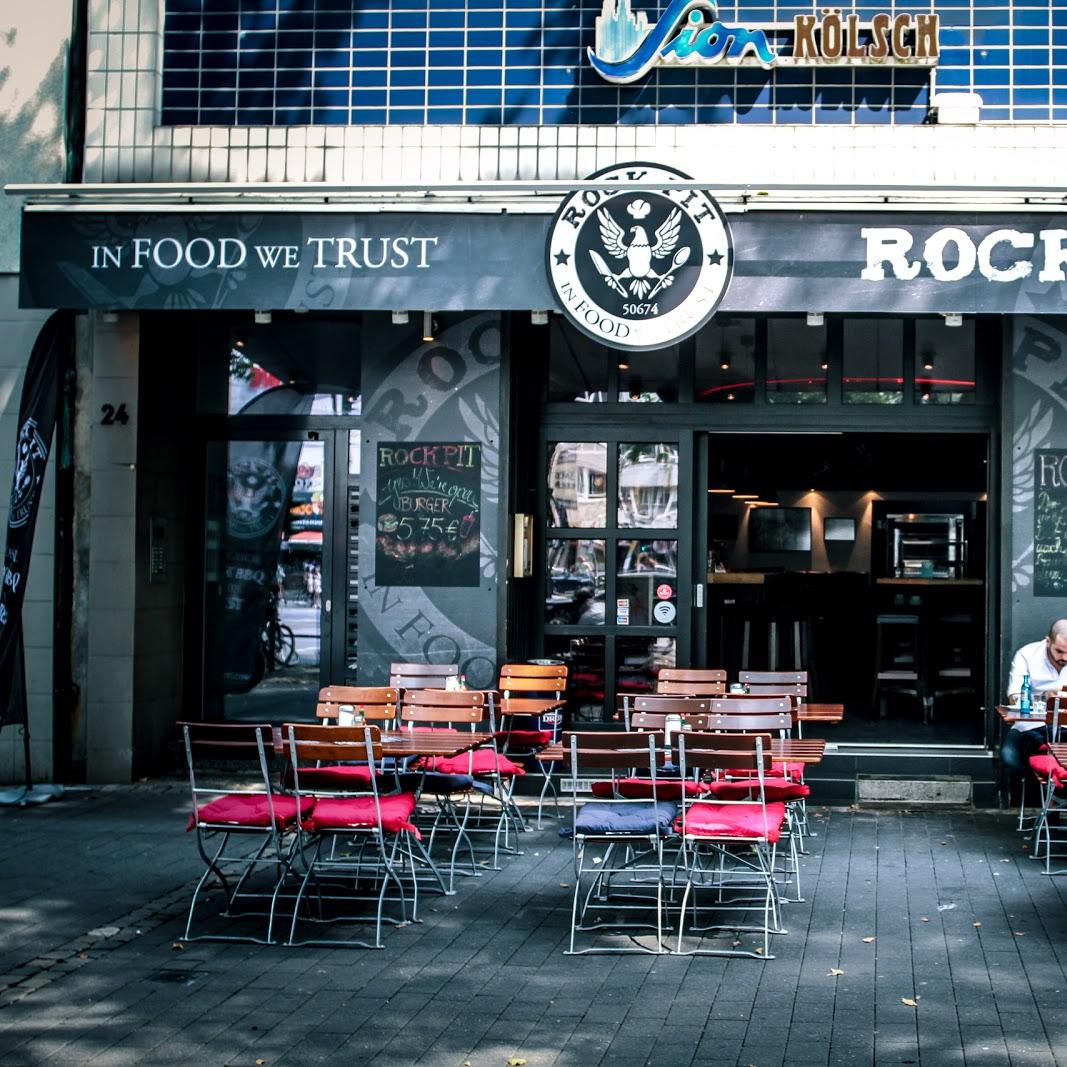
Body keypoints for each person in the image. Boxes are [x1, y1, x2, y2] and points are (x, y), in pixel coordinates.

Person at [1000, 619, 1067, 777]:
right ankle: (1048, 792)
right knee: (1009, 756)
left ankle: (1055, 795)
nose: (1064, 657)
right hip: (1031, 728)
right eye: (1059, 651)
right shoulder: (1028, 654)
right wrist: (1044, 697)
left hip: (1065, 729)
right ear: (1048, 641)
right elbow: (1014, 697)